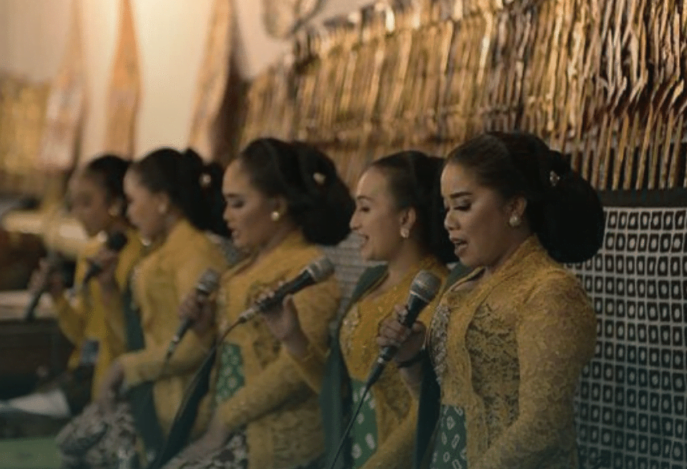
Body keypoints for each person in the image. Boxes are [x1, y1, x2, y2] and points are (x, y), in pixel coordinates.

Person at [378, 132, 605, 469]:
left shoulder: (550, 292)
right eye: (446, 208)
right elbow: (442, 407)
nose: (448, 221)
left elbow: (541, 428)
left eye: (463, 205)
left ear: (514, 206)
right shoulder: (459, 290)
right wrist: (411, 361)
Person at [162, 138, 354, 469]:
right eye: (225, 203)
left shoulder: (304, 269)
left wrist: (227, 418)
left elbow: (294, 369)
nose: (226, 216)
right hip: (227, 427)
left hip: (274, 436)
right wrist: (205, 325)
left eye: (237, 204)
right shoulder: (241, 268)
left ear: (277, 205)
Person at [261, 151, 456, 469]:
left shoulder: (436, 295)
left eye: (365, 208)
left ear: (406, 218)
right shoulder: (369, 282)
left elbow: (431, 414)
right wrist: (292, 337)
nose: (353, 222)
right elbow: (339, 393)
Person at [57, 148, 230, 468]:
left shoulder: (195, 254)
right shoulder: (158, 253)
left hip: (180, 399)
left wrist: (126, 367)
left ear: (162, 201)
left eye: (134, 201)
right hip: (149, 389)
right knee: (69, 447)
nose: (130, 214)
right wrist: (108, 290)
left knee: (80, 453)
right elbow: (135, 336)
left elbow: (199, 346)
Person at [0, 154, 144, 422]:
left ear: (116, 202)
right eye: (73, 204)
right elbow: (82, 332)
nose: (78, 213)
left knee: (4, 419)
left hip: (114, 378)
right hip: (83, 369)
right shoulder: (91, 253)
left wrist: (108, 290)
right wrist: (58, 297)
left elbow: (132, 337)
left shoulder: (138, 257)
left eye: (86, 203)